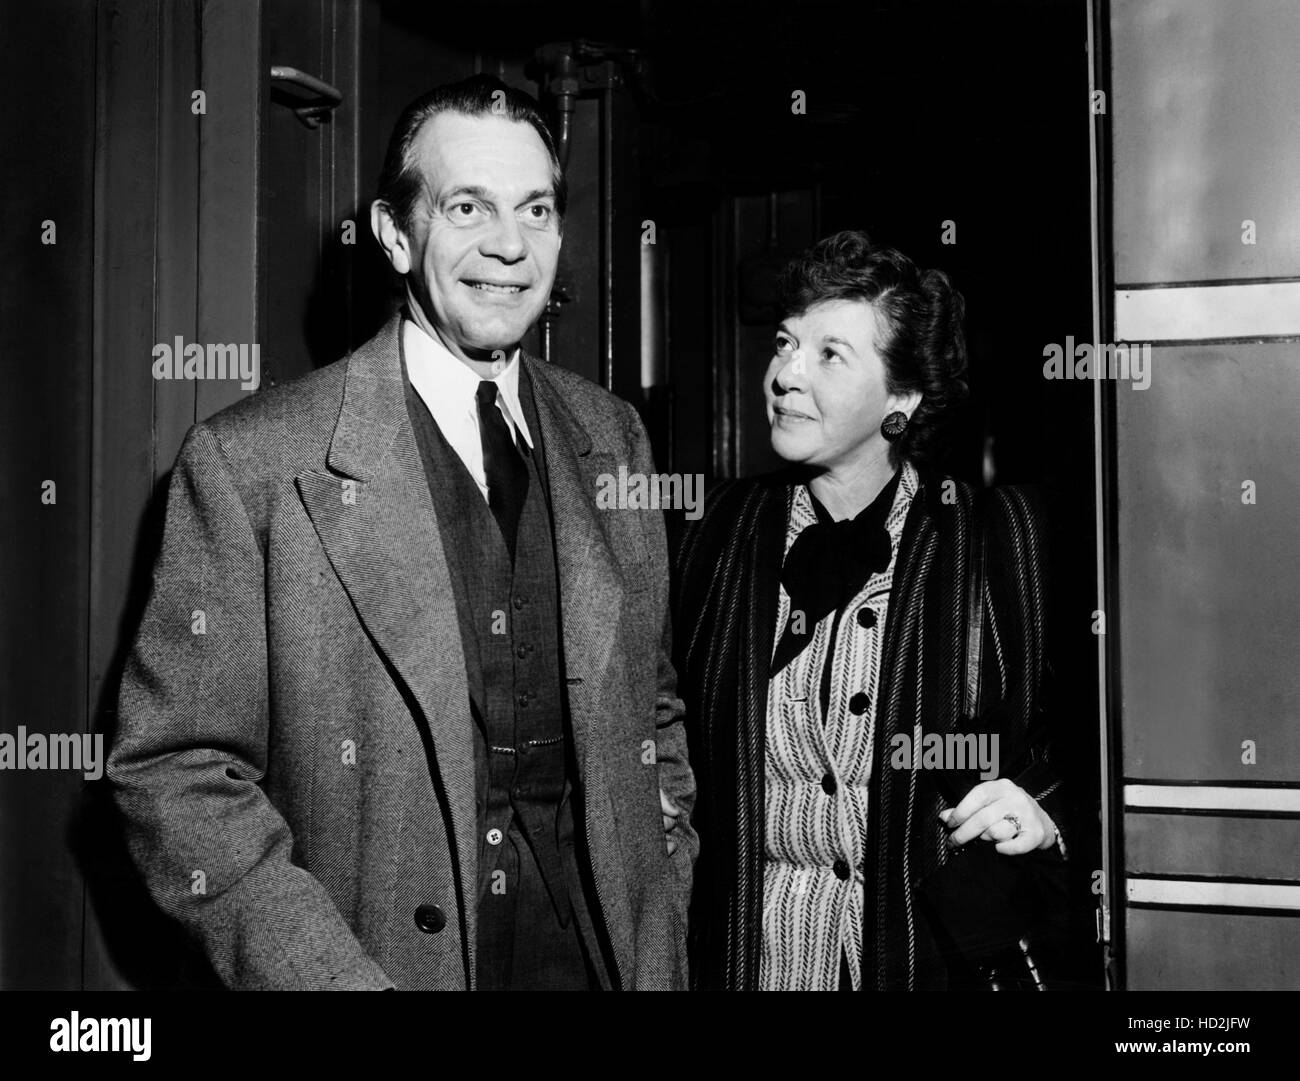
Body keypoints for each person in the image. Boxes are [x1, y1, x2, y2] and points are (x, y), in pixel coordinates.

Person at [107, 75, 696, 991]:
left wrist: (659, 899)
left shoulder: (612, 434)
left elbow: (652, 709)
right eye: (469, 207)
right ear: (394, 233)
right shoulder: (254, 462)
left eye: (536, 209)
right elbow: (175, 772)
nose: (510, 244)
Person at [674, 230, 1067, 990]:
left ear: (902, 397)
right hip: (744, 966)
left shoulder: (989, 537)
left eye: (829, 354)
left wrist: (1040, 813)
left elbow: (1058, 741)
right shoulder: (710, 534)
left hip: (924, 965)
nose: (785, 373)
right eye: (785, 344)